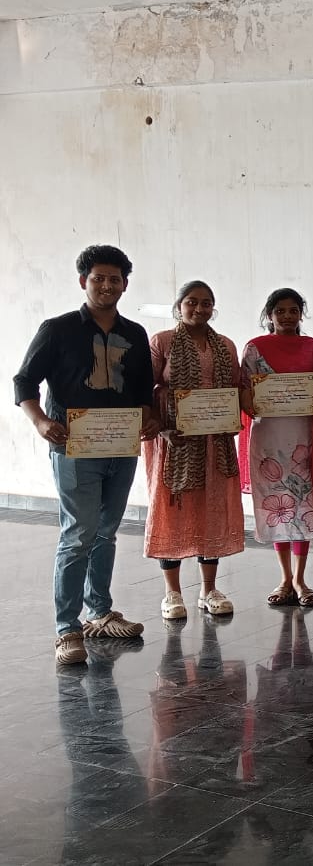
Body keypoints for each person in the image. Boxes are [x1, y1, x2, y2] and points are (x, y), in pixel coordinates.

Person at [14, 244, 157, 665]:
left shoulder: (135, 333)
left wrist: (148, 417)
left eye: (115, 279)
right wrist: (40, 422)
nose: (107, 285)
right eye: (98, 278)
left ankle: (99, 611)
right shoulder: (57, 329)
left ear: (125, 285)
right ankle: (67, 629)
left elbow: (143, 390)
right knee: (78, 533)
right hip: (74, 445)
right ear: (83, 281)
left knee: (106, 531)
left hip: (121, 446)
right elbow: (24, 381)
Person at [143, 280, 244, 621]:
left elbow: (235, 388)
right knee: (173, 508)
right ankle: (172, 592)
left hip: (215, 440)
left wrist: (232, 416)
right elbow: (146, 387)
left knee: (210, 509)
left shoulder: (225, 345)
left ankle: (208, 589)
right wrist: (162, 423)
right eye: (192, 302)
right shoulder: (162, 342)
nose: (199, 308)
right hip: (175, 440)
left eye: (206, 303)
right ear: (179, 306)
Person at [239, 288, 313, 608]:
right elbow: (244, 390)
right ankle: (284, 578)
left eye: (293, 310)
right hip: (269, 437)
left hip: (304, 436)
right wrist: (252, 403)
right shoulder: (254, 348)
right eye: (280, 311)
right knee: (277, 507)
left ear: (301, 314)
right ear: (270, 315)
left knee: (302, 505)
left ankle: (300, 579)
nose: (287, 316)